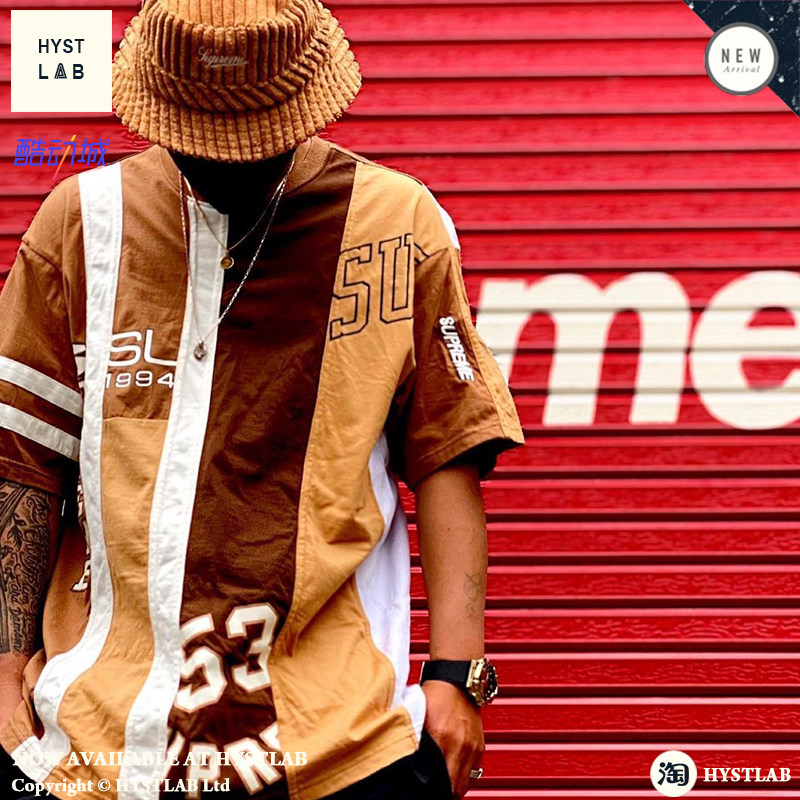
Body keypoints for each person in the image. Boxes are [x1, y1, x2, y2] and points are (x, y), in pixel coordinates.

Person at [0, 1, 525, 799]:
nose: (226, 161)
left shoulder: (396, 225)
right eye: (201, 140)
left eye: (252, 141)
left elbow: (446, 450)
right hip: (93, 742)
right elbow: (23, 463)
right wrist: (6, 667)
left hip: (338, 744)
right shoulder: (82, 227)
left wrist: (458, 677)